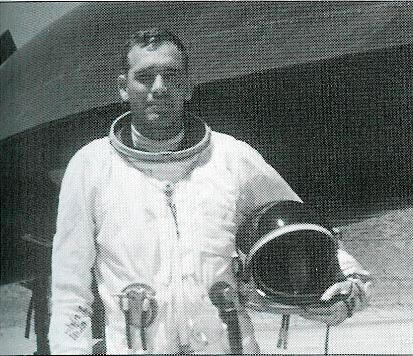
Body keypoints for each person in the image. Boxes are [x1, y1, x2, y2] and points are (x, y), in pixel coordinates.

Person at [48, 28, 371, 354]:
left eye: (171, 76)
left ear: (188, 87)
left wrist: (346, 289)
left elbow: (307, 232)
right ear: (123, 88)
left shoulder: (232, 158)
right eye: (145, 77)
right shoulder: (90, 167)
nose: (159, 88)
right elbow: (69, 287)